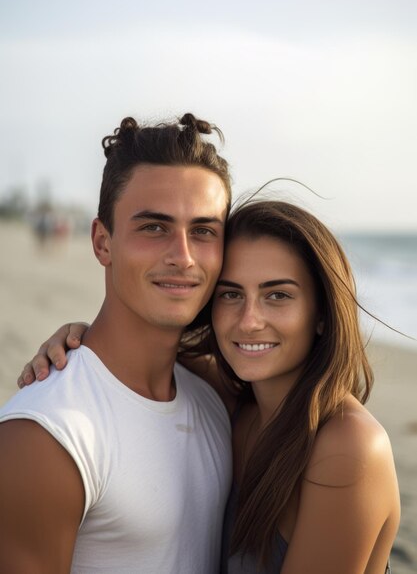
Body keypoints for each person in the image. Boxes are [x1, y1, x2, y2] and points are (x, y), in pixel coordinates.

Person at [19, 199, 400, 573]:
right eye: (231, 294)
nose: (249, 321)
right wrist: (78, 339)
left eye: (277, 295)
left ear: (321, 314)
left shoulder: (348, 446)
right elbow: (133, 356)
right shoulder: (233, 399)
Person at [0, 113, 234, 574]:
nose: (183, 256)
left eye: (204, 231)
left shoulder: (215, 397)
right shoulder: (46, 435)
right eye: (154, 227)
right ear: (103, 243)